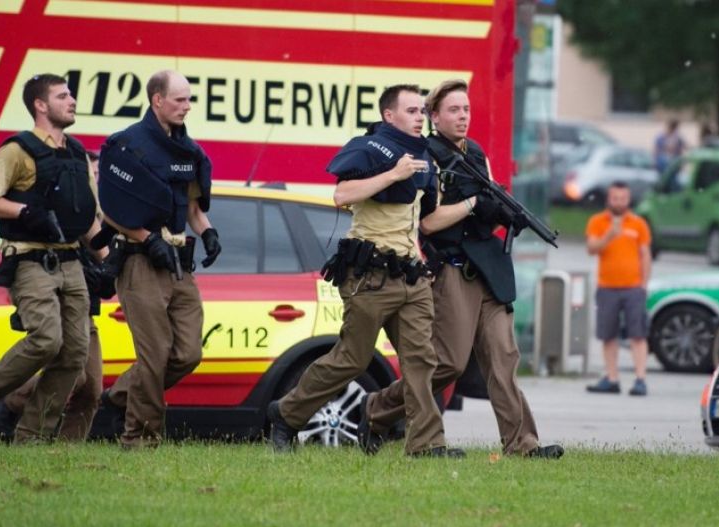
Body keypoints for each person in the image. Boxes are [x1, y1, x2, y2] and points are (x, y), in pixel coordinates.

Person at [358, 79, 563, 459]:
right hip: (452, 270)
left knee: (503, 360)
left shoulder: (476, 153)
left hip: (489, 270)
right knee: (447, 363)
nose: (463, 116)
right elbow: (429, 222)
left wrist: (503, 214)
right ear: (434, 117)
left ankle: (523, 444)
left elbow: (488, 200)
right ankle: (377, 408)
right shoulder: (427, 156)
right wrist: (473, 205)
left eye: (466, 109)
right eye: (453, 110)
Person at [267, 84, 454, 457]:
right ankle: (286, 414)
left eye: (422, 111)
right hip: (370, 277)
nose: (420, 117)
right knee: (352, 359)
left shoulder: (426, 157)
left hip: (411, 276)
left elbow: (423, 220)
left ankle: (426, 445)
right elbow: (342, 195)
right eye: (411, 111)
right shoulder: (368, 148)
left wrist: (471, 207)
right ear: (389, 115)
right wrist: (393, 174)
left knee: (422, 360)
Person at [0, 73, 102, 442]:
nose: (72, 101)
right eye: (62, 96)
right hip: (30, 260)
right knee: (46, 340)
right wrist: (22, 211)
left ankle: (31, 437)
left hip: (72, 262)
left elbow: (87, 219)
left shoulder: (77, 154)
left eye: (71, 95)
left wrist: (107, 258)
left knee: (74, 354)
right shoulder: (17, 150)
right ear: (40, 105)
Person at [96, 70, 222, 449]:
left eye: (189, 99)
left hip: (179, 263)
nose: (187, 106)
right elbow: (111, 210)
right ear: (157, 100)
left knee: (188, 353)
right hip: (140, 262)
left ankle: (120, 396)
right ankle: (140, 438)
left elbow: (193, 209)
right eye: (180, 100)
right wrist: (146, 238)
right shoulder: (125, 145)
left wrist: (208, 232)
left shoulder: (188, 151)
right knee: (155, 355)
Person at [0, 153, 111, 441]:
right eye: (92, 173)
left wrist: (109, 273)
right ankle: (8, 403)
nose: (95, 180)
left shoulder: (102, 212)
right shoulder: (63, 205)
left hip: (86, 303)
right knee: (75, 376)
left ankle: (66, 452)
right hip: (57, 296)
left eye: (98, 175)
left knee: (91, 388)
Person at [584, 182, 651, 396]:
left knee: (637, 334)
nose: (619, 203)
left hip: (633, 287)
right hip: (607, 287)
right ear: (608, 199)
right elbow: (591, 248)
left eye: (623, 199)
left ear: (628, 200)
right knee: (608, 334)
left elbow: (645, 254)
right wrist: (609, 236)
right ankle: (612, 378)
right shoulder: (597, 222)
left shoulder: (638, 223)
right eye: (615, 198)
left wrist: (644, 284)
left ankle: (640, 378)